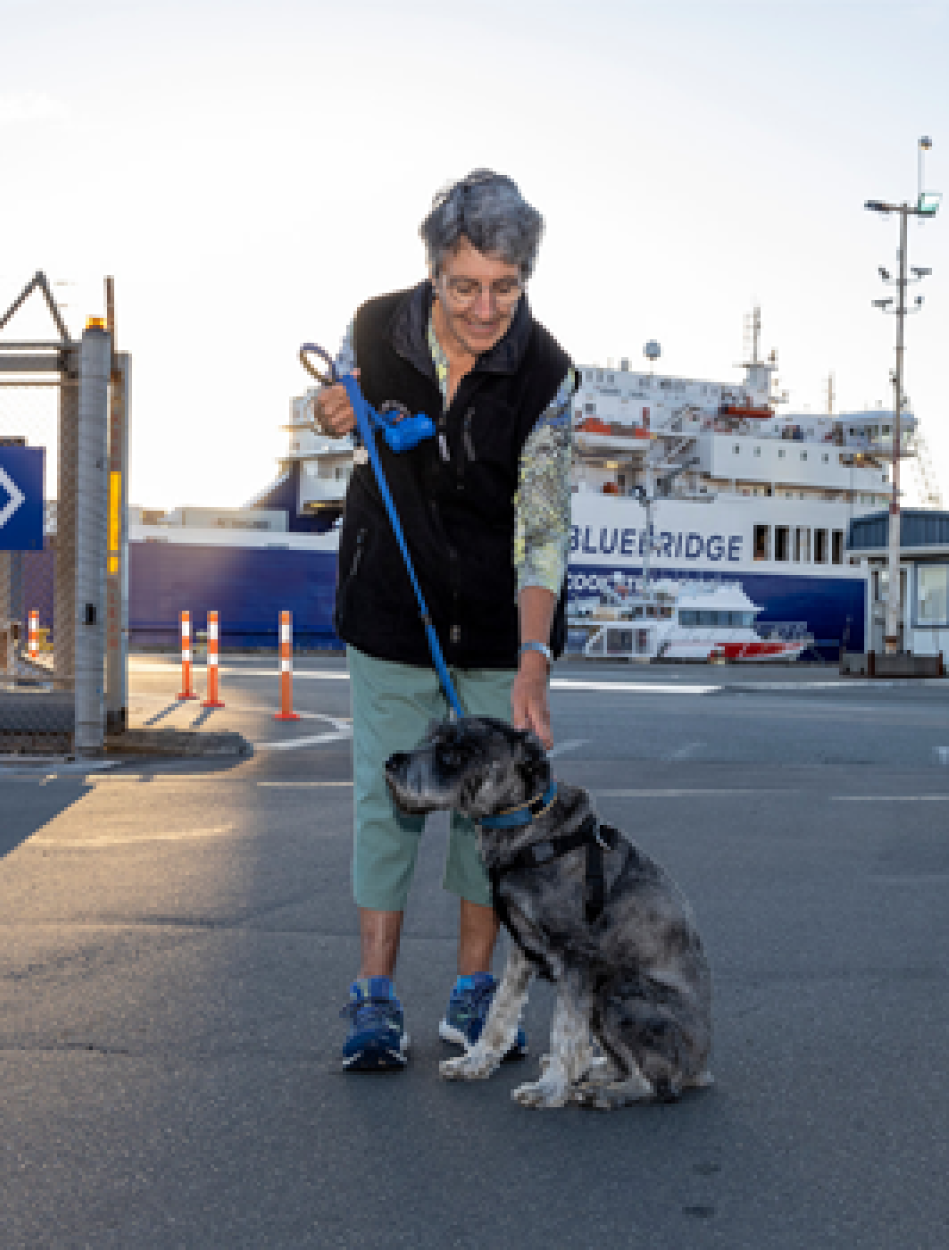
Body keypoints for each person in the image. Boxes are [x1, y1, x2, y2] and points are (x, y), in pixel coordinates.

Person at [311, 170, 575, 1073]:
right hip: (391, 613)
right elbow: (335, 410)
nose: (485, 308)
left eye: (505, 286)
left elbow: (544, 529)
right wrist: (331, 412)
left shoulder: (547, 374)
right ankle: (374, 995)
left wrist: (533, 656)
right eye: (465, 286)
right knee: (387, 800)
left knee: (486, 811)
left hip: (497, 630)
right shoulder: (373, 329)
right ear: (433, 273)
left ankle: (473, 994)